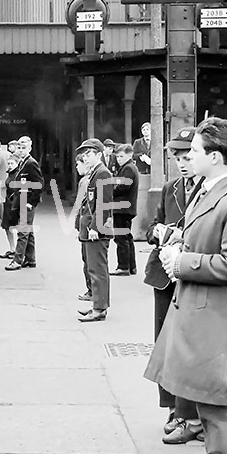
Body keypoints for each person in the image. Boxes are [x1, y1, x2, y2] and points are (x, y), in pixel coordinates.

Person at [144, 117, 227, 454]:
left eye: (193, 151)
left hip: (217, 312)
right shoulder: (211, 191)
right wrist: (176, 243)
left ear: (214, 156)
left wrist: (182, 262)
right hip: (204, 308)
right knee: (210, 393)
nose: (186, 157)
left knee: (215, 395)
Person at [146, 127, 203, 444]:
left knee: (187, 344)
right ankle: (172, 407)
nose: (182, 163)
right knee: (164, 343)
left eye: (187, 157)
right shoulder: (171, 188)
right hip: (164, 275)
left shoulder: (209, 190)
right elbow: (152, 224)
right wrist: (159, 232)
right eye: (177, 158)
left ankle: (189, 412)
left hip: (190, 272)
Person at [75, 138, 114, 321]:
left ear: (99, 154)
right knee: (95, 268)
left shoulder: (102, 173)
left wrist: (94, 227)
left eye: (89, 153)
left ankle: (99, 309)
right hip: (93, 228)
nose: (86, 157)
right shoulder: (96, 173)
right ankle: (98, 305)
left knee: (97, 270)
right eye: (85, 154)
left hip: (97, 230)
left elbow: (103, 203)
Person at [5, 136, 43, 271]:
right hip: (21, 200)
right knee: (29, 231)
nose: (21, 151)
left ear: (30, 148)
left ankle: (17, 260)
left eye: (24, 148)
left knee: (23, 231)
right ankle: (30, 259)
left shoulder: (31, 163)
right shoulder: (22, 162)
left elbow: (39, 183)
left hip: (27, 202)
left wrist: (32, 202)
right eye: (19, 148)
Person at [111, 144, 139, 276]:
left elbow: (123, 187)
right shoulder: (129, 168)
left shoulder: (128, 169)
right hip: (126, 207)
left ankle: (123, 266)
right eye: (117, 156)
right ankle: (131, 266)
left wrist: (110, 190)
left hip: (122, 207)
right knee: (127, 237)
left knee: (121, 238)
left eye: (121, 156)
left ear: (130, 155)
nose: (118, 159)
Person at [0, 139, 21, 259]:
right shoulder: (10, 174)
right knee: (7, 226)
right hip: (8, 202)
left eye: (12, 163)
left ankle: (16, 249)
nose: (10, 165)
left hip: (15, 203)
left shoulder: (18, 175)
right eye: (9, 163)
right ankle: (12, 248)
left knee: (13, 227)